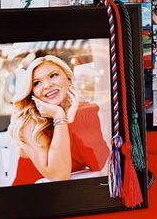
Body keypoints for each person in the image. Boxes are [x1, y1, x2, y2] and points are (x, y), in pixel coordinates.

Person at [9, 55, 109, 185]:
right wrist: (59, 117)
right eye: (37, 83)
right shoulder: (30, 122)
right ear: (32, 92)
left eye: (53, 75)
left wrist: (73, 118)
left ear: (68, 79)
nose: (47, 85)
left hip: (71, 196)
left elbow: (100, 164)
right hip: (29, 199)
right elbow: (59, 176)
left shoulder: (84, 111)